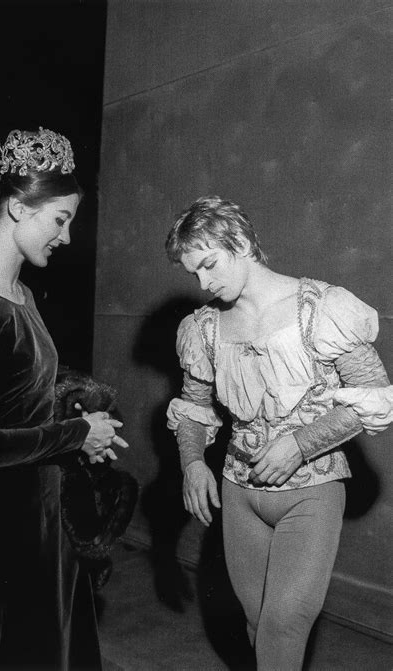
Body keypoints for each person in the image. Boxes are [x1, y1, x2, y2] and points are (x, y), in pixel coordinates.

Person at [0, 127, 128, 670]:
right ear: (17, 207)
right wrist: (77, 434)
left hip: (42, 513)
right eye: (59, 219)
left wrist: (81, 426)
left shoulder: (20, 293)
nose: (65, 236)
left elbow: (21, 399)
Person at [165, 196, 391, 670]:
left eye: (210, 265)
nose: (204, 283)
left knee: (285, 620)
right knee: (258, 621)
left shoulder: (321, 308)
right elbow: (193, 406)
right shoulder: (204, 327)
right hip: (239, 494)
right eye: (195, 274)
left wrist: (299, 442)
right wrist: (190, 462)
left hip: (311, 493)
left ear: (242, 242)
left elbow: (375, 395)